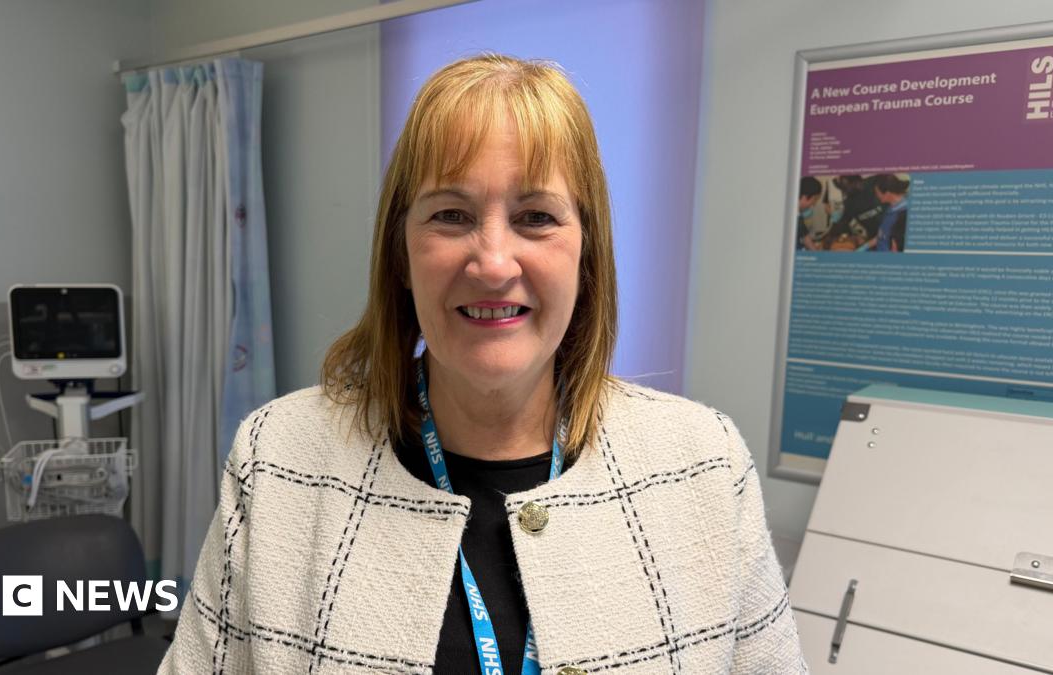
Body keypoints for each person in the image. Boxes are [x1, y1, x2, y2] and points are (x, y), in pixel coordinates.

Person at [159, 54, 806, 674]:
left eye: (535, 217)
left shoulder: (703, 465)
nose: (493, 263)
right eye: (451, 215)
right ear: (400, 255)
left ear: (587, 253)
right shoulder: (278, 461)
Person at [867, 174, 909, 252]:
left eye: (877, 193)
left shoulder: (903, 214)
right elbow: (881, 236)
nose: (876, 196)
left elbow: (895, 250)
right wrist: (862, 248)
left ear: (887, 193)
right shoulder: (891, 208)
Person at [795, 176, 824, 250]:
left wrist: (815, 252)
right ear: (805, 197)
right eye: (814, 199)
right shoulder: (791, 216)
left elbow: (805, 236)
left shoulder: (798, 214)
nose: (814, 204)